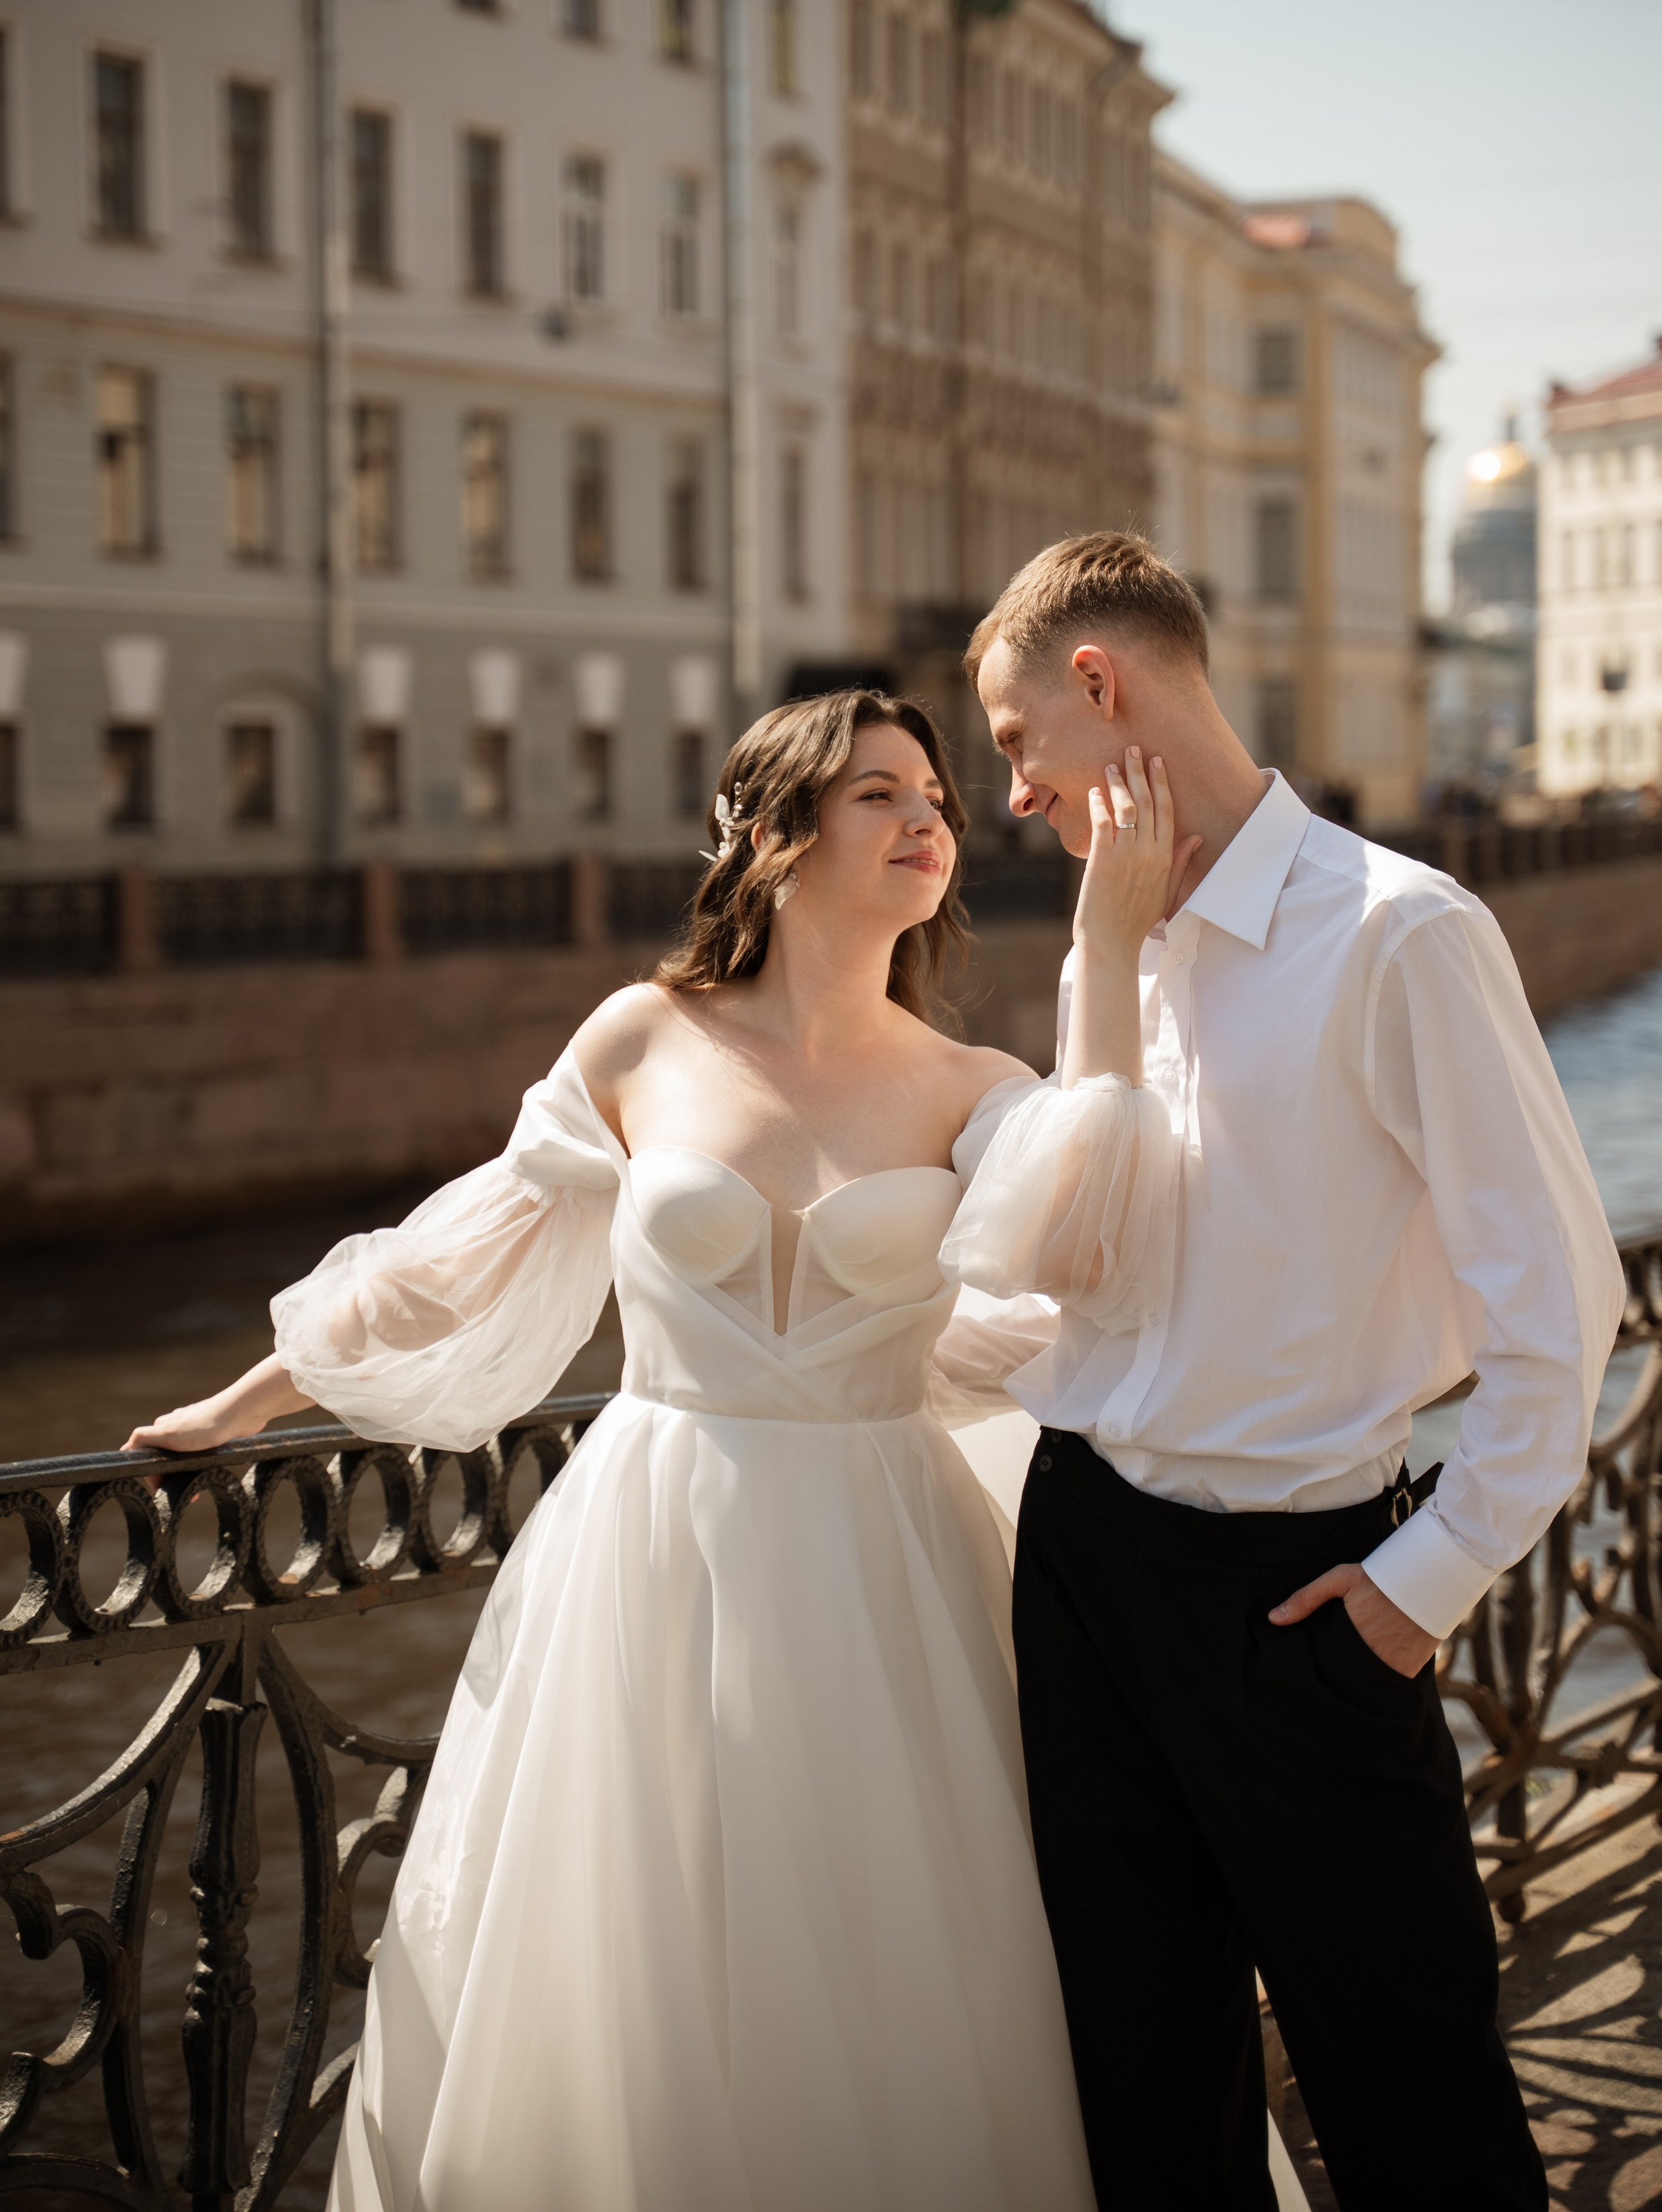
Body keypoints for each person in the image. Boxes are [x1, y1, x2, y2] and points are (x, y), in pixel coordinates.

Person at [127, 689, 1307, 2212]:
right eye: (881, 792)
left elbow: (1101, 1242)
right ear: (774, 831)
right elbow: (462, 1253)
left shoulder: (968, 1088)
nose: (928, 820)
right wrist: (250, 1403)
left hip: (887, 1561)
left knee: (902, 1947)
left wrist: (1111, 938)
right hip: (651, 1552)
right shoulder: (642, 1034)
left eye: (939, 799)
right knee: (643, 1952)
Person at [952, 531, 1626, 2212]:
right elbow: (1088, 1276)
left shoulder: (1402, 934)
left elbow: (1564, 1304)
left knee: (1414, 2096)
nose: (1016, 793)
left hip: (1298, 1597)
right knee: (1147, 2088)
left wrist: (1425, 1583)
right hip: (1085, 1565)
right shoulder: (1104, 945)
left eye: (1020, 741)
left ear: (1101, 688)